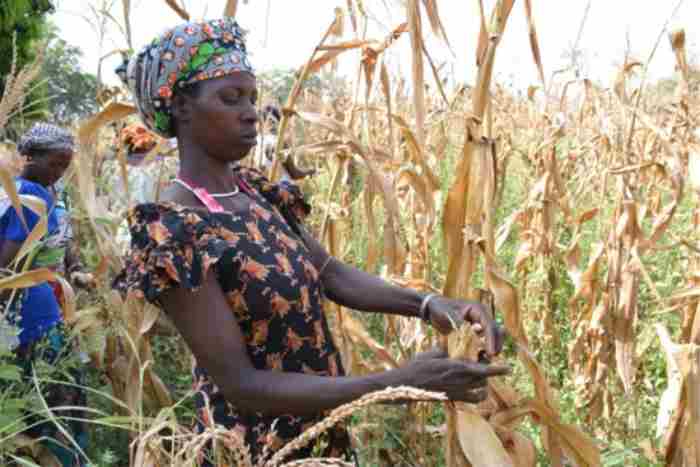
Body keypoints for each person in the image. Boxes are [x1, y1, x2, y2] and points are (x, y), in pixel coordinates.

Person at [114, 19, 509, 464]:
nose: (251, 113)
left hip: (323, 435)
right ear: (182, 106)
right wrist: (396, 384)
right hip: (254, 451)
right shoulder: (171, 230)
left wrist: (430, 304)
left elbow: (331, 274)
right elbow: (242, 386)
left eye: (252, 97)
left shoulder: (257, 194)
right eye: (230, 98)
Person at [0, 123, 88, 466]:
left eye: (65, 165)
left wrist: (75, 270)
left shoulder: (16, 192)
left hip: (26, 315)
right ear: (28, 157)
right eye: (54, 163)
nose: (59, 172)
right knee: (58, 405)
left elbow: (61, 246)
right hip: (32, 318)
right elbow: (7, 269)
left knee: (19, 402)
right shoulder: (33, 200)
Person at [256, 104, 315, 181]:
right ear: (280, 122)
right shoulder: (279, 143)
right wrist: (311, 171)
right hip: (281, 187)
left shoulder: (255, 141)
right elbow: (295, 174)